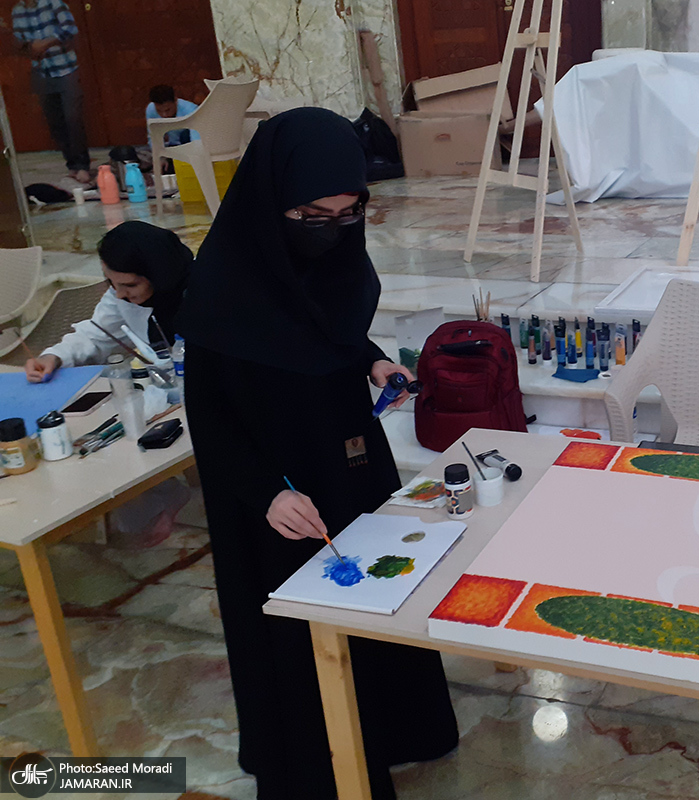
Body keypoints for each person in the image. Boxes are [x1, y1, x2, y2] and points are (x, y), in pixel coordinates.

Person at [177, 108, 458, 800]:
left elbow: (327, 330)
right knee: (300, 633)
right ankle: (316, 757)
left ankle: (398, 729)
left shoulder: (335, 254)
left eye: (348, 213)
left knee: (377, 594)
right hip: (274, 487)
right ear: (273, 201)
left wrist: (372, 361)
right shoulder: (220, 286)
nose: (332, 229)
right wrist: (267, 493)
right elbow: (210, 418)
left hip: (349, 459)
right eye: (311, 216)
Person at [25, 220, 192, 383]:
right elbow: (97, 335)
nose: (119, 294)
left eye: (130, 285)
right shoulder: (123, 295)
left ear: (160, 276)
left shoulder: (201, 293)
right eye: (111, 282)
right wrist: (54, 356)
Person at [9, 0, 89, 183]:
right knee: (55, 122)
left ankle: (83, 165)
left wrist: (45, 43)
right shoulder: (17, 11)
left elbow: (70, 29)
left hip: (66, 69)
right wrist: (29, 48)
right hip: (41, 71)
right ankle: (72, 165)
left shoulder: (53, 3)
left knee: (73, 118)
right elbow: (19, 42)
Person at [146, 84, 199, 148]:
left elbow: (196, 138)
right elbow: (153, 137)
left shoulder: (191, 110)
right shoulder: (151, 109)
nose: (164, 115)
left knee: (185, 135)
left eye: (167, 110)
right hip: (172, 145)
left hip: (188, 144)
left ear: (175, 101)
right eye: (159, 111)